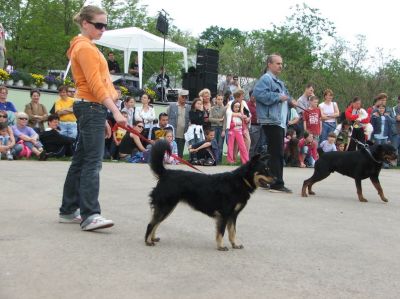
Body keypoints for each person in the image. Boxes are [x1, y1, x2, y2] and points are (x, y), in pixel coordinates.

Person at [59, 5, 127, 231]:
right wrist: (115, 112)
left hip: (91, 108)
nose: (103, 29)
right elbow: (96, 85)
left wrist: (106, 116)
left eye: (105, 25)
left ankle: (69, 210)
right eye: (99, 25)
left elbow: (97, 85)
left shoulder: (84, 46)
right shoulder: (85, 48)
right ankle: (90, 215)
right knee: (92, 162)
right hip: (91, 106)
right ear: (85, 23)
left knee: (81, 159)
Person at [253, 53, 296, 193]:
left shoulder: (279, 82)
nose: (280, 66)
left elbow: (285, 98)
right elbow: (258, 94)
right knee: (277, 153)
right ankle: (276, 184)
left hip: (280, 121)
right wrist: (278, 96)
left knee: (274, 152)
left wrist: (290, 101)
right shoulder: (266, 79)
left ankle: (264, 178)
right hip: (271, 121)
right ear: (269, 64)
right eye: (278, 63)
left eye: (281, 64)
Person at [167, 89, 190, 157]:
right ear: (178, 96)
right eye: (183, 96)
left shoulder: (188, 107)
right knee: (170, 152)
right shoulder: (172, 106)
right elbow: (167, 117)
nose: (184, 98)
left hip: (183, 134)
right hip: (173, 133)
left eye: (186, 97)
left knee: (180, 154)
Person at [226, 100, 249, 164]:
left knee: (242, 146)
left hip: (239, 132)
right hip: (232, 132)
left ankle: (246, 160)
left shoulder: (241, 115)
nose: (237, 108)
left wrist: (244, 129)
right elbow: (228, 125)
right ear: (232, 107)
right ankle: (230, 160)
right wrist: (235, 124)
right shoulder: (230, 114)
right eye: (235, 107)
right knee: (230, 146)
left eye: (238, 107)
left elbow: (243, 124)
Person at [209, 94, 225, 163]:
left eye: (221, 99)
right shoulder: (212, 108)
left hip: (221, 128)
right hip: (214, 128)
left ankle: (219, 161)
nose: (220, 101)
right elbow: (210, 118)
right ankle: (213, 159)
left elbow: (225, 120)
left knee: (220, 145)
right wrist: (219, 120)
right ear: (216, 100)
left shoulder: (224, 109)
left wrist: (224, 130)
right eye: (218, 99)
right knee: (213, 144)